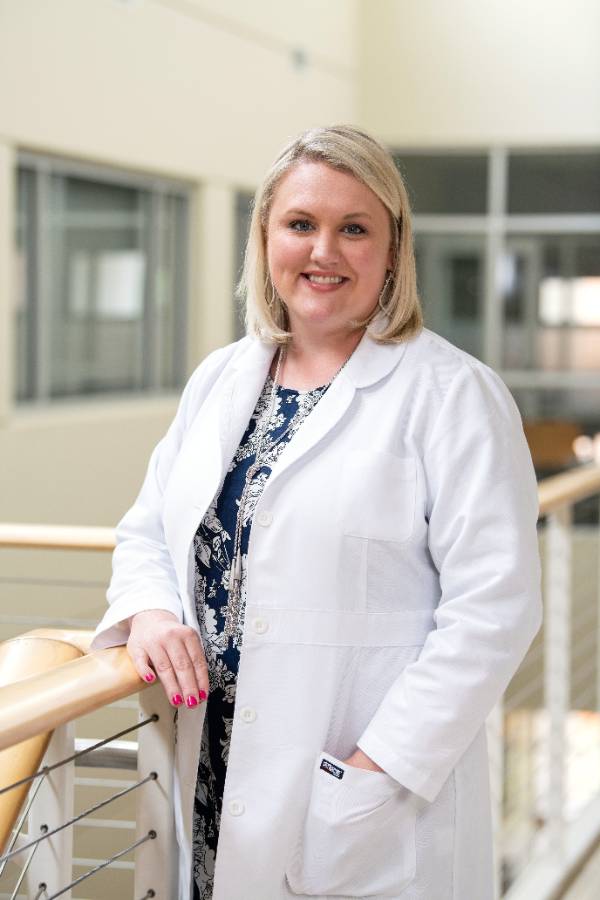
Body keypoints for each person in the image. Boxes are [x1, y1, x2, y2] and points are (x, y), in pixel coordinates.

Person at [91, 124, 542, 900]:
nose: (323, 250)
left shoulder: (453, 396)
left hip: (361, 799)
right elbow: (147, 530)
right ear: (266, 236)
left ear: (393, 250)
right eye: (301, 224)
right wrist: (153, 614)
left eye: (354, 228)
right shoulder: (222, 379)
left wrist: (373, 770)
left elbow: (495, 609)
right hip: (207, 779)